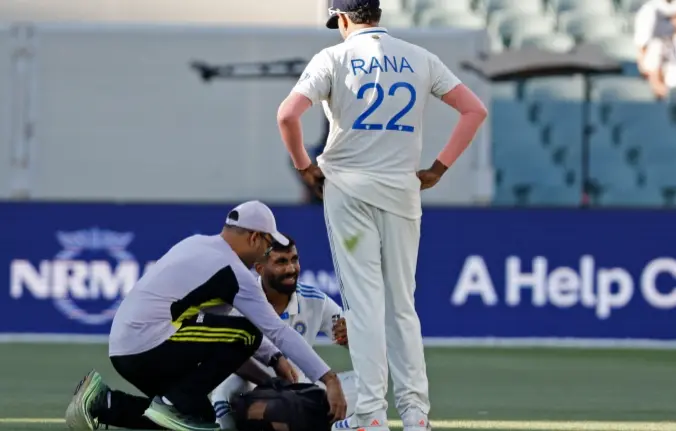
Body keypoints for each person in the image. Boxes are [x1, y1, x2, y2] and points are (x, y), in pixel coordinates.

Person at [275, 1, 488, 430]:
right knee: (402, 306)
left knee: (364, 307)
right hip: (403, 192)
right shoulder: (420, 57)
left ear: (345, 18)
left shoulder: (333, 57)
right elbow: (474, 110)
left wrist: (304, 165)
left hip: (349, 193)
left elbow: (287, 115)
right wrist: (439, 167)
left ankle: (371, 415)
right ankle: (416, 415)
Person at [64, 201, 346, 431]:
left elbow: (219, 340)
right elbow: (273, 331)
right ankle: (173, 402)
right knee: (247, 332)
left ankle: (104, 403)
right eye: (268, 246)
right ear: (254, 237)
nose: (265, 252)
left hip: (129, 348)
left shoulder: (197, 244)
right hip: (149, 344)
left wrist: (269, 370)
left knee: (199, 421)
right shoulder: (232, 271)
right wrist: (328, 379)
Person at [211, 234, 357, 430]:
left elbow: (354, 342)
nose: (291, 269)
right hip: (251, 383)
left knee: (366, 384)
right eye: (281, 262)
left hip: (301, 386)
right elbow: (226, 355)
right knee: (222, 394)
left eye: (294, 260)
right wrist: (272, 382)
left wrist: (352, 336)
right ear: (260, 269)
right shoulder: (240, 299)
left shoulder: (315, 300)